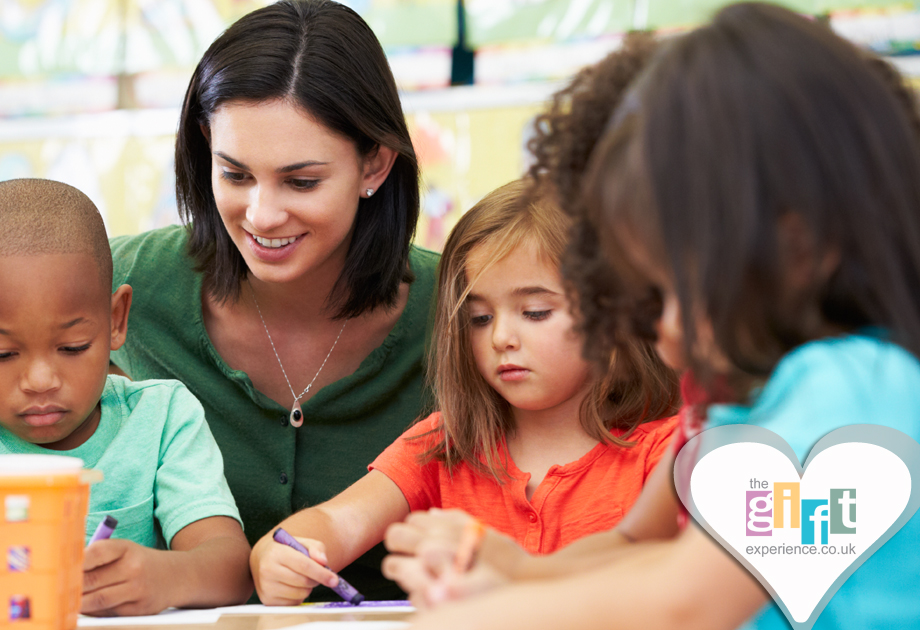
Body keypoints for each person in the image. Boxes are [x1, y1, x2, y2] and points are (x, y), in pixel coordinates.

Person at [387, 4, 920, 629]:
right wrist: (514, 574)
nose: (662, 339)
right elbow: (651, 553)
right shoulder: (748, 405)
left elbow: (686, 602)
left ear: (795, 248)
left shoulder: (853, 391)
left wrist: (491, 614)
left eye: (671, 294)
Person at [109, 0, 436, 599]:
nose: (261, 215)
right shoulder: (125, 283)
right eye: (234, 174)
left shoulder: (465, 308)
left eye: (301, 181)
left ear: (376, 164)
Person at [249, 178, 680, 604]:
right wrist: (281, 555)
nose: (501, 338)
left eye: (534, 312)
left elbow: (685, 586)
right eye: (478, 318)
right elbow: (336, 523)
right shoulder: (445, 444)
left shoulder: (668, 452)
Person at [0, 179, 252, 617]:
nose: (41, 380)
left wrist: (166, 577)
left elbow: (232, 568)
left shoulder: (162, 418)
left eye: (73, 347)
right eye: (1, 353)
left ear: (116, 320)